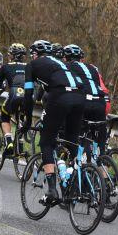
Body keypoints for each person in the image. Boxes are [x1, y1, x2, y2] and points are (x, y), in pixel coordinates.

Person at [20, 40, 86, 204]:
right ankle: (75, 183)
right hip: (80, 97)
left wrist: (27, 120)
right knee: (71, 141)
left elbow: (28, 95)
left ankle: (51, 190)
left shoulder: (32, 65)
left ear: (35, 54)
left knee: (46, 141)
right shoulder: (59, 63)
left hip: (61, 97)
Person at [0, 43, 29, 152]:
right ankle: (20, 145)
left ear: (12, 55)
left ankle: (9, 142)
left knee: (5, 116)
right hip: (29, 96)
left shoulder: (6, 66)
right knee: (21, 118)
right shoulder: (29, 66)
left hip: (14, 95)